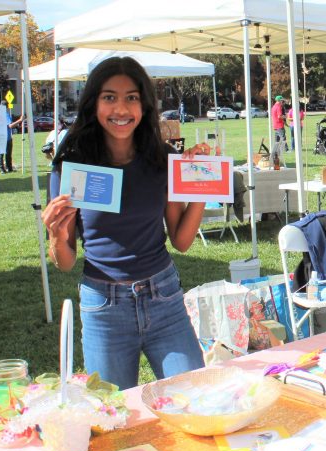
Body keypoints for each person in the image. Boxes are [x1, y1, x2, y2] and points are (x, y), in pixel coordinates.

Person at [42, 56, 206, 390]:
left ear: (144, 105)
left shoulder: (162, 158)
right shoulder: (71, 166)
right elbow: (64, 262)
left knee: (196, 397)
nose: (121, 109)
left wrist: (200, 185)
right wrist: (56, 234)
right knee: (112, 416)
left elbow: (182, 240)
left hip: (165, 300)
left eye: (131, 97)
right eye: (109, 97)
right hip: (103, 307)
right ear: (94, 103)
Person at [0, 100, 24, 174]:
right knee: (7, 154)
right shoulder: (5, 114)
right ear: (6, 107)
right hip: (6, 137)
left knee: (2, 154)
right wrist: (20, 120)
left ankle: (5, 169)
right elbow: (10, 126)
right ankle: (6, 169)